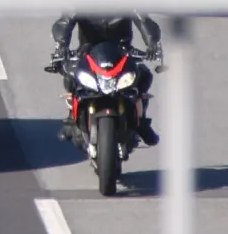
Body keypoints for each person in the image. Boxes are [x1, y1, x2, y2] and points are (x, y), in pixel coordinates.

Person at [50, 14, 164, 146]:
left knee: (143, 75)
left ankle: (141, 121)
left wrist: (152, 43)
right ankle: (71, 119)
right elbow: (65, 21)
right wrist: (62, 44)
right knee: (71, 73)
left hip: (122, 52)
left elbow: (143, 19)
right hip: (88, 52)